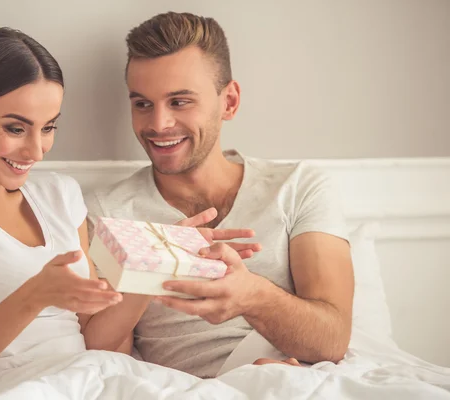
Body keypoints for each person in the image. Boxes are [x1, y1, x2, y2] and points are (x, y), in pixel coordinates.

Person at [0, 27, 257, 400]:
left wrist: (156, 265)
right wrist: (34, 295)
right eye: (16, 128)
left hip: (94, 376)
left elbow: (94, 339)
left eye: (48, 127)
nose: (36, 151)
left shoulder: (60, 195)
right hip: (21, 387)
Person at [85, 11, 355, 379]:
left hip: (297, 379)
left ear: (228, 102)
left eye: (179, 102)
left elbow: (333, 338)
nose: (158, 124)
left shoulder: (298, 186)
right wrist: (152, 260)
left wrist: (252, 295)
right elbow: (99, 355)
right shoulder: (107, 211)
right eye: (142, 103)